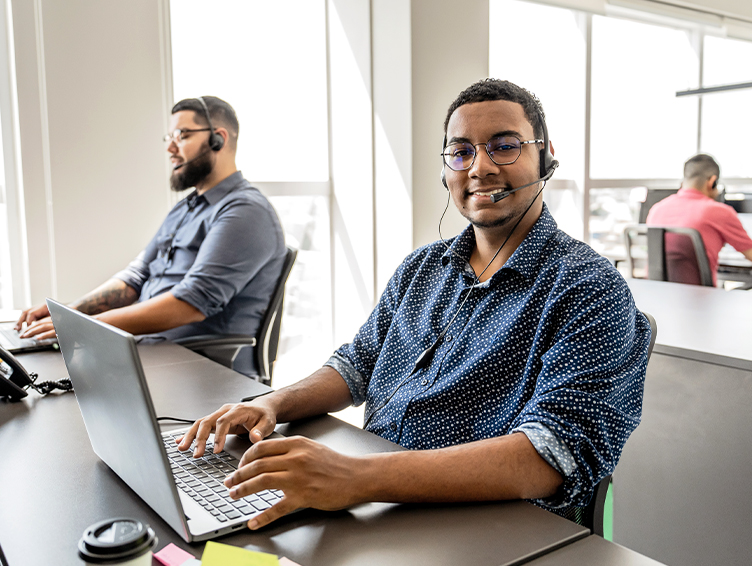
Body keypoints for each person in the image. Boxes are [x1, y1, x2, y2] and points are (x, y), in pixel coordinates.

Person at [180, 79, 651, 531]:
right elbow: (357, 365)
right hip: (378, 502)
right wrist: (273, 402)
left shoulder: (590, 289)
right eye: (461, 151)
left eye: (504, 146)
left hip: (482, 525)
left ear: (546, 158)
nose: (480, 167)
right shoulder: (422, 268)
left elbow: (551, 454)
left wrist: (352, 478)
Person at [16, 96, 286, 376]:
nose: (170, 148)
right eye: (169, 137)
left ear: (218, 138)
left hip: (197, 370)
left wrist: (84, 328)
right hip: (150, 352)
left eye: (182, 135)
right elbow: (137, 276)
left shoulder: (245, 211)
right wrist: (70, 313)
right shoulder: (186, 208)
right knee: (34, 370)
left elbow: (192, 302)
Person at [646, 153, 752, 286]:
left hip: (657, 299)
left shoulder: (656, 209)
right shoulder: (719, 211)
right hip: (701, 302)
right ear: (712, 182)